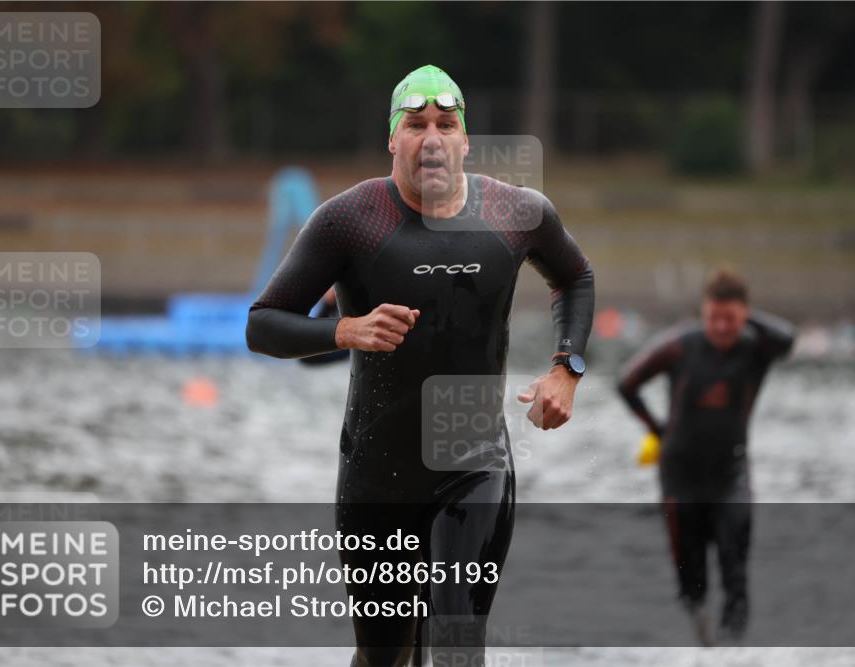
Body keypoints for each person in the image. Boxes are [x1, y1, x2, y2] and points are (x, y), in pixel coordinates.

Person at [247, 64, 594, 666]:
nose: (431, 137)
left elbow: (575, 277)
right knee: (384, 656)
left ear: (465, 139)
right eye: (415, 124)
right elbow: (262, 323)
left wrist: (567, 368)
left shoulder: (517, 213)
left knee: (456, 638)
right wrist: (344, 329)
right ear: (392, 139)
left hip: (474, 464)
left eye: (445, 123)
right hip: (377, 474)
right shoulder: (348, 220)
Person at [616, 267, 794, 646]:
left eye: (731, 318)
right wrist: (656, 429)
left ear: (745, 314)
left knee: (735, 570)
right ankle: (701, 646)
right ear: (703, 313)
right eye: (714, 317)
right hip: (679, 477)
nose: (722, 327)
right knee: (690, 576)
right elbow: (626, 382)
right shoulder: (680, 346)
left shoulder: (755, 349)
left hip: (730, 475)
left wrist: (748, 317)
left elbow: (787, 339)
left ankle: (734, 650)